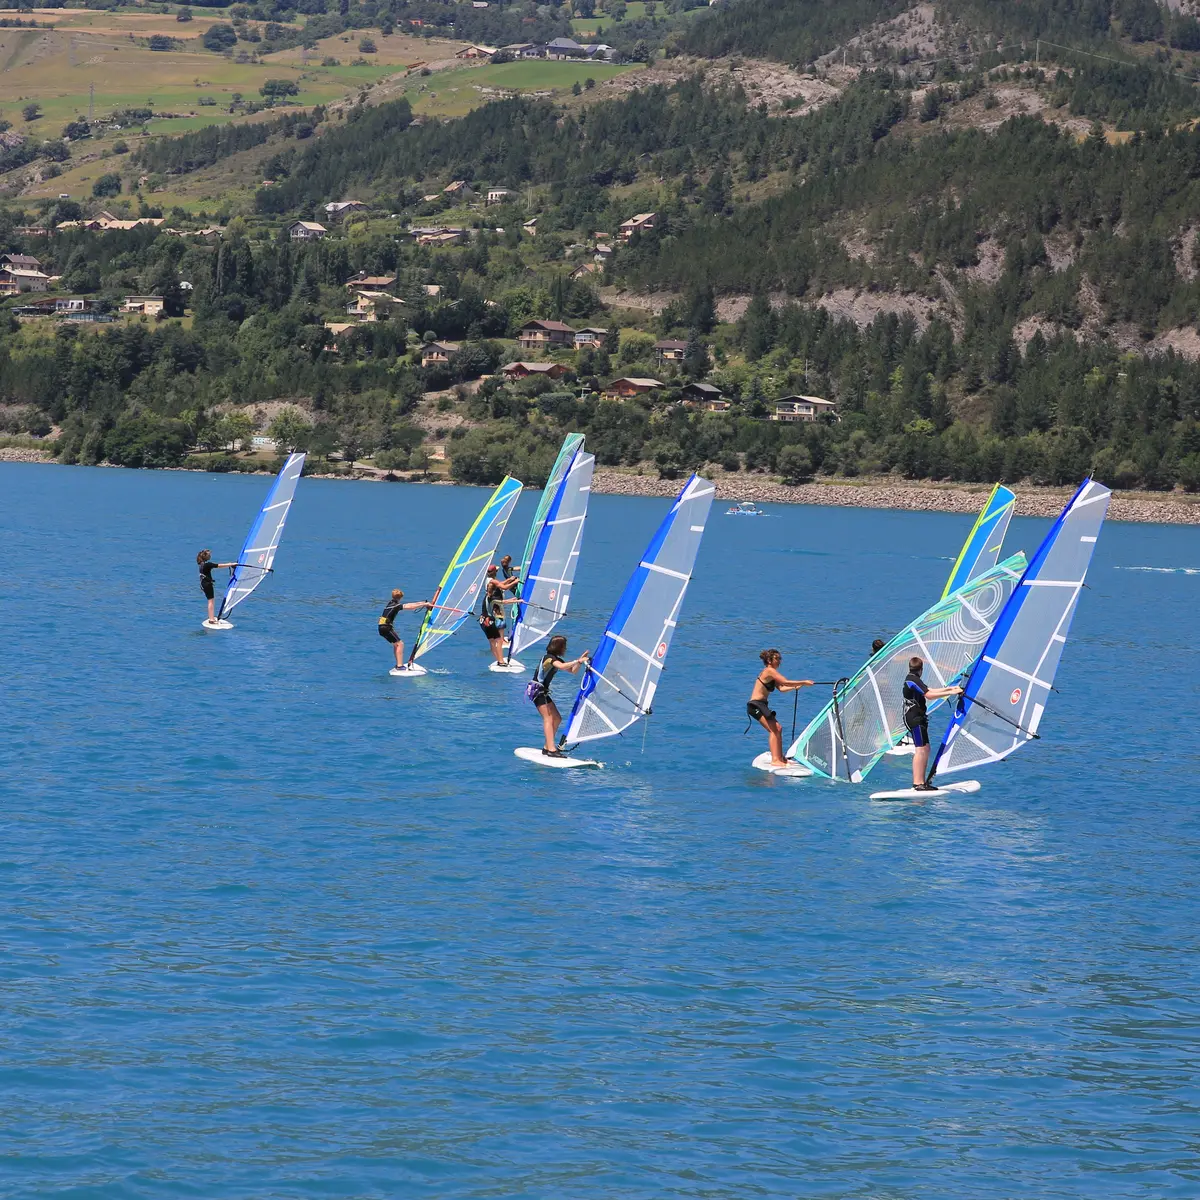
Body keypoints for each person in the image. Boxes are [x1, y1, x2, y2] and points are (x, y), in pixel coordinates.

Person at [903, 656, 963, 790]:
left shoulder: (914, 679)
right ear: (921, 669)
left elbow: (929, 690)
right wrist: (949, 692)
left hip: (918, 718)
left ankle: (922, 782)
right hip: (914, 718)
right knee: (920, 750)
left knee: (926, 748)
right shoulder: (911, 679)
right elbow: (929, 695)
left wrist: (950, 690)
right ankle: (917, 783)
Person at [747, 649, 815, 768]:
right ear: (769, 660)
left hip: (762, 705)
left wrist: (796, 687)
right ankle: (775, 760)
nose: (779, 661)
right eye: (777, 658)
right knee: (774, 729)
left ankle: (780, 758)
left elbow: (782, 688)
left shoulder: (772, 674)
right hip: (755, 705)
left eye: (780, 659)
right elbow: (785, 682)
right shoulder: (769, 671)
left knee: (777, 728)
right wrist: (804, 682)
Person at [528, 634, 589, 757]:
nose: (565, 649)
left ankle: (547, 746)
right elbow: (561, 667)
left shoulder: (556, 659)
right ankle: (551, 749)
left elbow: (573, 671)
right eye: (564, 647)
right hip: (537, 691)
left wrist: (580, 662)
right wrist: (577, 661)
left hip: (543, 692)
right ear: (559, 647)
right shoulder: (549, 659)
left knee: (557, 718)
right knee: (548, 718)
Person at [379, 588, 434, 670]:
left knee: (396, 644)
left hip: (382, 627)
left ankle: (398, 664)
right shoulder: (396, 605)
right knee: (400, 644)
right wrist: (424, 605)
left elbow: (409, 604)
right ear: (401, 597)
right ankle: (399, 666)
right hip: (386, 628)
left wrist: (423, 603)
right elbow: (410, 607)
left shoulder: (391, 603)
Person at [479, 564, 520, 664]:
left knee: (492, 642)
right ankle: (501, 661)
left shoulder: (487, 593)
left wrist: (509, 580)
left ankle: (498, 660)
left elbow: (500, 585)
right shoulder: (493, 598)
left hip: (482, 621)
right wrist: (515, 582)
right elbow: (503, 592)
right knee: (498, 640)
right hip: (489, 621)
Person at [197, 549, 236, 624]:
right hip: (207, 584)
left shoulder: (201, 564)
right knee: (211, 601)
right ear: (206, 557)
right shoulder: (207, 565)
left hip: (203, 583)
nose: (210, 556)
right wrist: (231, 564)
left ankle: (211, 617)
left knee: (210, 600)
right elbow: (219, 566)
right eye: (209, 555)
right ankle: (211, 619)